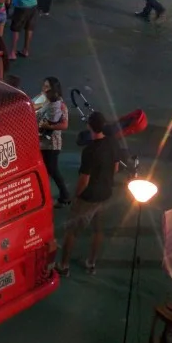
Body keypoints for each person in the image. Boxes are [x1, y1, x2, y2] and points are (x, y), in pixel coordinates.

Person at [56, 112, 119, 277]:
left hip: (88, 197)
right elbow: (116, 168)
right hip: (105, 194)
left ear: (89, 126)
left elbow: (84, 180)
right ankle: (91, 263)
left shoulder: (89, 151)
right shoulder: (113, 143)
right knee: (98, 230)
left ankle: (63, 266)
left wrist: (76, 196)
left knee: (72, 231)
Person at [35, 77, 71, 207]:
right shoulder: (44, 101)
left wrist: (48, 127)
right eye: (44, 85)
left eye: (47, 87)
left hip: (52, 145)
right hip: (41, 142)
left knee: (53, 170)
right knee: (47, 170)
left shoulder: (60, 106)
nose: (44, 88)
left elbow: (64, 125)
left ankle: (65, 195)